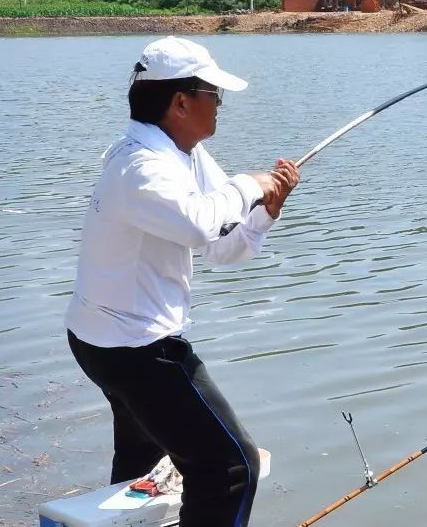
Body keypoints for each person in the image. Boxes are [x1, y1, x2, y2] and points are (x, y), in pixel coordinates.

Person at [65, 36, 299, 527]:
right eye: (215, 96)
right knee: (233, 465)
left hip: (109, 339)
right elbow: (200, 221)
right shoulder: (139, 166)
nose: (220, 107)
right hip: (133, 347)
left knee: (141, 470)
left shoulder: (183, 153)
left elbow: (218, 243)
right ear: (180, 102)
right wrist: (249, 184)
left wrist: (263, 214)